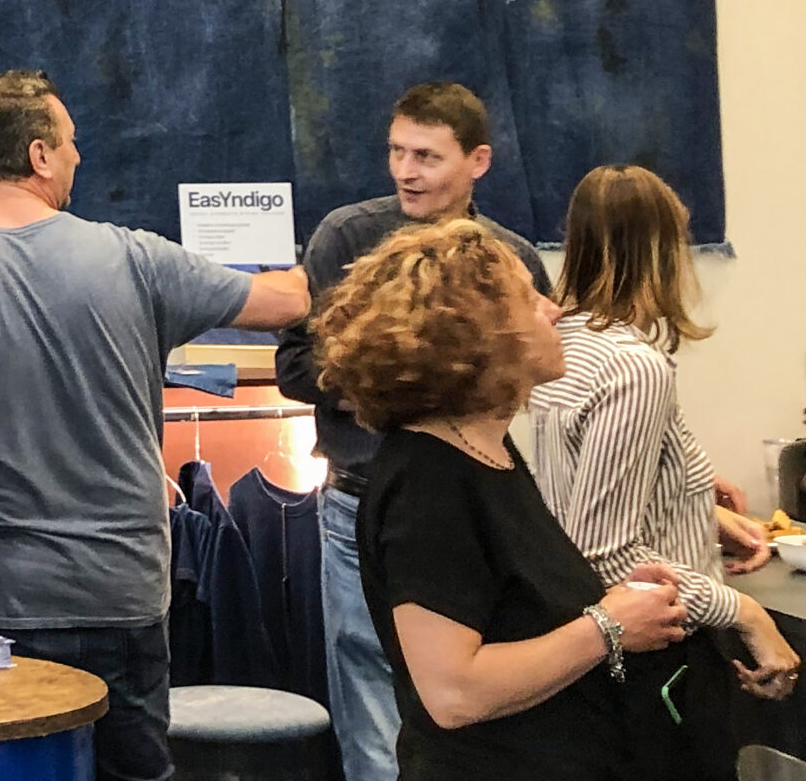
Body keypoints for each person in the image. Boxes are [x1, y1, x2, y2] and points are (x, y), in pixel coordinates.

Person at [0, 71, 310, 781]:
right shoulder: (135, 259)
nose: (78, 155)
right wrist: (324, 259)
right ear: (39, 155)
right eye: (71, 142)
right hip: (119, 598)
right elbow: (284, 303)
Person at [317, 216, 692, 780]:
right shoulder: (429, 483)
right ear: (480, 334)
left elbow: (512, 613)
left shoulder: (487, 452)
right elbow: (453, 693)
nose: (553, 310)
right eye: (530, 299)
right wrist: (607, 627)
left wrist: (616, 603)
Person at [276, 81, 552, 781]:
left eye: (426, 156)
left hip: (474, 512)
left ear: (477, 161)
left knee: (471, 705)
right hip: (360, 504)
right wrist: (401, 385)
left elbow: (534, 380)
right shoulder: (346, 238)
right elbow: (295, 367)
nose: (406, 171)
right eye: (397, 152)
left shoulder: (513, 260)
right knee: (373, 714)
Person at [529, 165, 799, 769]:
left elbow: (585, 495)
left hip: (603, 667)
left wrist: (702, 511)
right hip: (659, 663)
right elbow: (605, 551)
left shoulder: (563, 348)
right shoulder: (634, 369)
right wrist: (745, 613)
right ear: (659, 250)